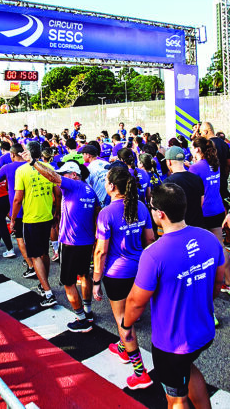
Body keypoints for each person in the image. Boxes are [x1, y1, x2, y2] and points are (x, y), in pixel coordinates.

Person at [122, 183, 226, 406]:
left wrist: (126, 323)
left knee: (176, 399)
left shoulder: (154, 254)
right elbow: (218, 284)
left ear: (160, 214)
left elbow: (136, 302)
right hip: (203, 330)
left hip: (172, 343)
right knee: (186, 370)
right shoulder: (209, 238)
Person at [94, 165, 155, 389]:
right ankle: (123, 346)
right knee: (129, 318)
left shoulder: (106, 213)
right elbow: (149, 240)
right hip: (140, 269)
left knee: (123, 321)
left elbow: (100, 251)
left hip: (117, 273)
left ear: (111, 186)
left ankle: (140, 372)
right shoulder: (140, 206)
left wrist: (95, 281)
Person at [34, 161, 100, 332]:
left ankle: (82, 319)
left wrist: (33, 162)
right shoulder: (90, 190)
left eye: (64, 174)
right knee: (84, 275)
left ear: (73, 175)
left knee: (68, 282)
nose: (61, 178)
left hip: (70, 242)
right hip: (86, 241)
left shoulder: (73, 185)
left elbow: (52, 176)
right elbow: (97, 213)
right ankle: (88, 311)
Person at [11, 141, 59, 307]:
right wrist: (57, 212)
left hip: (31, 218)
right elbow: (57, 193)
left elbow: (17, 198)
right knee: (44, 252)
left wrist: (12, 219)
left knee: (35, 255)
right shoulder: (49, 168)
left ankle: (48, 292)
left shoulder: (22, 170)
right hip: (47, 215)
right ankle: (44, 283)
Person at [189, 136, 230, 295]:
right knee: (220, 246)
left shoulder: (195, 168)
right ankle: (229, 283)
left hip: (204, 211)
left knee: (199, 249)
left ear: (197, 149)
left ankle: (206, 284)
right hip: (217, 209)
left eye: (192, 147)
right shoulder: (214, 163)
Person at [0, 144, 35, 277]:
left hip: (17, 209)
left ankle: (31, 265)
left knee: (20, 238)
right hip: (32, 207)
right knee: (31, 237)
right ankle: (35, 261)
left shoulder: (7, 167)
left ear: (12, 155)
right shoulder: (31, 165)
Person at [164, 146, 205, 229]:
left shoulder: (168, 182)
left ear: (169, 162)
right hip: (197, 225)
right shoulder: (196, 178)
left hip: (179, 228)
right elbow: (201, 202)